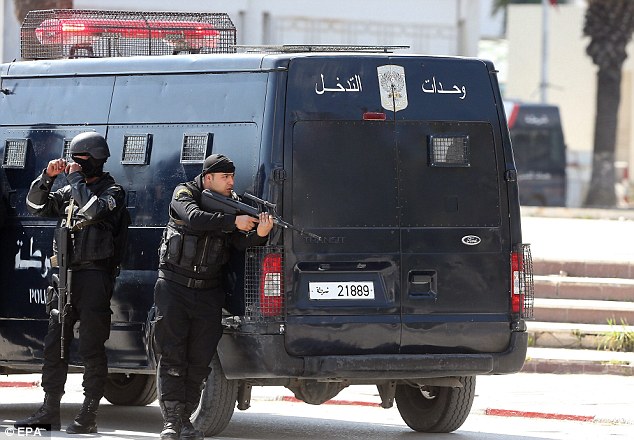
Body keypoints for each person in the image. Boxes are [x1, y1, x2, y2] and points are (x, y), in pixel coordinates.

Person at [15, 132, 129, 434]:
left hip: (94, 277)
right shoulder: (68, 190)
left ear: (95, 160)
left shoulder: (113, 192)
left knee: (91, 346)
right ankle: (49, 409)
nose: (74, 164)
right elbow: (35, 206)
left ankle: (88, 414)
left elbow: (92, 210)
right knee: (55, 345)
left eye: (80, 160)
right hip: (65, 276)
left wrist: (75, 180)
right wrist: (47, 177)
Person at [153, 154, 273, 440]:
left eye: (232, 177)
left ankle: (184, 420)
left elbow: (240, 243)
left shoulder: (232, 204)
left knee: (199, 360)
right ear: (208, 178)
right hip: (174, 287)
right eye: (225, 177)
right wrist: (233, 221)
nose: (231, 182)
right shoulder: (184, 193)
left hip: (208, 291)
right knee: (173, 355)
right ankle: (171, 421)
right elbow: (194, 218)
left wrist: (260, 233)